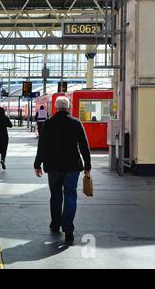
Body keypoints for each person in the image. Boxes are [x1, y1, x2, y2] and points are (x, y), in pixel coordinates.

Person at [34, 96, 91, 244]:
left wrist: (37, 164)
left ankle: (55, 224)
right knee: (70, 195)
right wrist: (87, 165)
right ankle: (68, 229)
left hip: (53, 166)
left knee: (56, 195)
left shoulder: (48, 123)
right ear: (69, 107)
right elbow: (84, 145)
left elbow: (42, 145)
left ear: (56, 108)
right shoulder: (76, 123)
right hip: (72, 166)